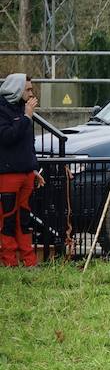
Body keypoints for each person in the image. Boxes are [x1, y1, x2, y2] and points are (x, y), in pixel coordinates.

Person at [0, 73, 44, 267]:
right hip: (8, 174)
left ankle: (29, 261)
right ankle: (9, 261)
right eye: (27, 89)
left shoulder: (23, 110)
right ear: (17, 90)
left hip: (25, 173)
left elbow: (29, 144)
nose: (31, 93)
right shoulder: (3, 110)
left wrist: (33, 168)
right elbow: (7, 137)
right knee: (7, 219)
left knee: (24, 219)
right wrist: (26, 117)